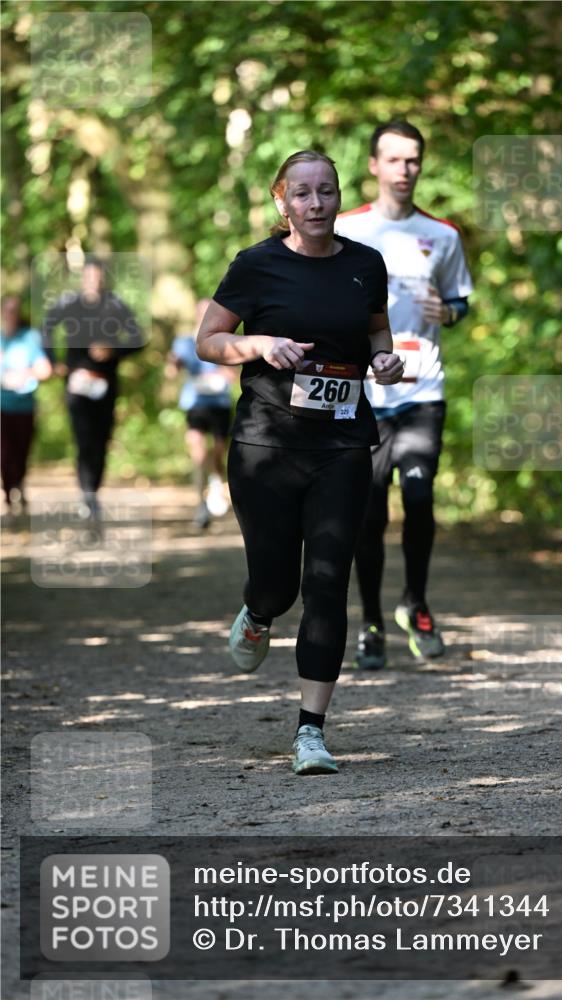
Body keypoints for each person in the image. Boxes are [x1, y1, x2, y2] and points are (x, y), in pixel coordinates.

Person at [196, 150, 403, 775]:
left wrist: (385, 360)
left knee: (327, 584)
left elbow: (375, 333)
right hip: (265, 445)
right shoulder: (256, 265)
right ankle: (258, 611)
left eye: (327, 192)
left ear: (340, 198)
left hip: (341, 443)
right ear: (281, 201)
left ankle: (311, 731)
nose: (316, 205)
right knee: (277, 583)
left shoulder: (366, 265)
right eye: (304, 194)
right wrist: (258, 343)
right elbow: (207, 341)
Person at [336, 121, 473, 669]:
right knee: (369, 515)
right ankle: (369, 621)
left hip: (423, 389)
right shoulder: (345, 228)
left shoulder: (443, 235)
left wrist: (452, 311)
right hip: (362, 393)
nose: (404, 170)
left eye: (413, 160)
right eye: (393, 160)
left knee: (419, 498)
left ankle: (415, 602)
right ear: (373, 165)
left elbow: (461, 299)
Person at [42, 256, 144, 520]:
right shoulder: (69, 303)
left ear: (104, 279)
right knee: (83, 437)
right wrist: (54, 362)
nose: (94, 282)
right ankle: (86, 493)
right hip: (76, 382)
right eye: (90, 277)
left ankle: (93, 491)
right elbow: (47, 327)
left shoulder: (115, 304)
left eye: (98, 277)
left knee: (101, 438)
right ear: (83, 279)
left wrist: (114, 351)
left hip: (105, 384)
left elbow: (138, 337)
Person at [166, 298, 235, 529]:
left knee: (217, 451)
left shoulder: (225, 340)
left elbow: (232, 375)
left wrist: (219, 376)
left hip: (220, 403)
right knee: (197, 449)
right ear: (196, 315)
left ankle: (216, 481)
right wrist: (173, 364)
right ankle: (200, 504)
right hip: (194, 403)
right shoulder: (184, 342)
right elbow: (171, 372)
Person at [0, 295, 52, 516]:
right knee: (4, 452)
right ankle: (10, 491)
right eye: (8, 310)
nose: (11, 315)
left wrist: (24, 375)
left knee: (21, 451)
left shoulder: (29, 338)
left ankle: (18, 485)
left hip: (24, 407)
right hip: (1, 406)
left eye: (15, 310)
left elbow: (45, 369)